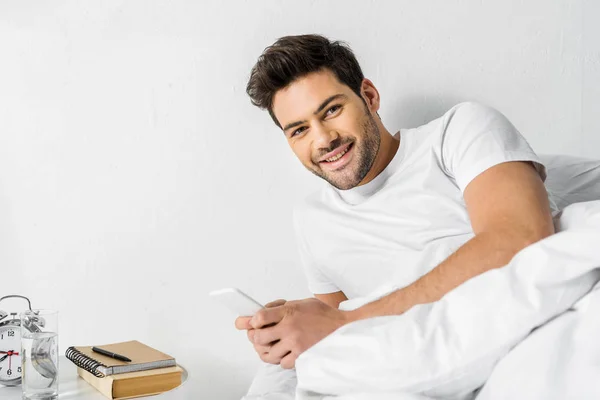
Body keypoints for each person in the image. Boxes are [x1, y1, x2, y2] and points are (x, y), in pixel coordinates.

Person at [235, 34, 555, 370]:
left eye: (331, 110)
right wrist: (295, 330)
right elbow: (338, 342)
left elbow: (520, 237)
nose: (323, 139)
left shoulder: (459, 132)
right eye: (299, 130)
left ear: (369, 96)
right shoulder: (311, 220)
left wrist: (346, 321)